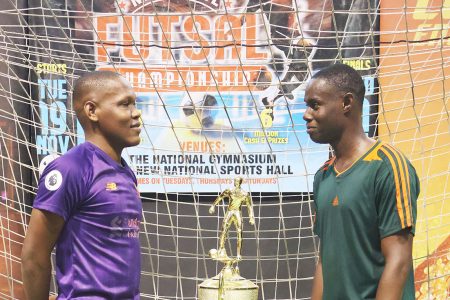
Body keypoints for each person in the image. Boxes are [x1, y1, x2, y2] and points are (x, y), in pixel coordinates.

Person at [21, 71, 143, 300]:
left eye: (134, 104)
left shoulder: (126, 173)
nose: (136, 113)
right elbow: (33, 256)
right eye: (125, 104)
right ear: (92, 111)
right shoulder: (71, 168)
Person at [304, 63, 419, 300]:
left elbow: (398, 262)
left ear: (347, 103)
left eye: (315, 105)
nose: (307, 115)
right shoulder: (322, 176)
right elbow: (325, 261)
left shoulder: (387, 166)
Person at [209, 177, 255, 261]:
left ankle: (238, 254)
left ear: (240, 182)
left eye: (236, 181)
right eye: (234, 181)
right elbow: (220, 196)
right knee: (223, 231)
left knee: (239, 233)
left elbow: (249, 206)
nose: (235, 182)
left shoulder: (244, 194)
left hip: (237, 213)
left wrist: (251, 217)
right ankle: (221, 249)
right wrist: (213, 206)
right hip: (229, 212)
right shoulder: (230, 190)